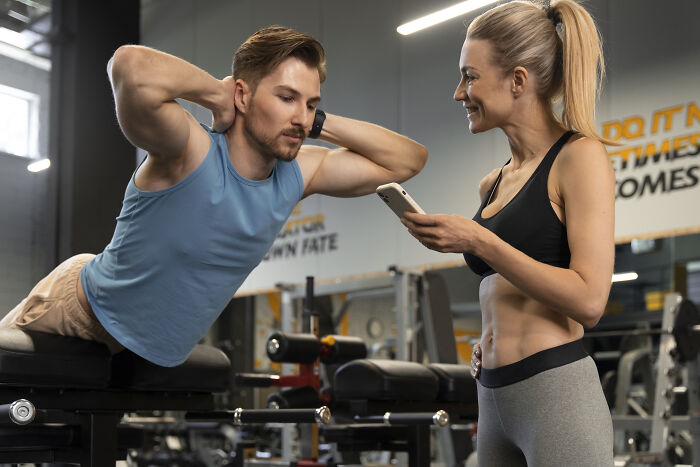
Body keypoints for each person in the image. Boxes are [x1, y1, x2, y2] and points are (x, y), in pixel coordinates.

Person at [0, 26, 427, 367]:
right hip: (74, 311)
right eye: (285, 98)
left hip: (128, 352)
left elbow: (406, 160)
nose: (300, 116)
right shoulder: (190, 149)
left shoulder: (299, 172)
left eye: (310, 103)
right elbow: (129, 65)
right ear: (243, 94)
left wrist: (317, 122)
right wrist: (214, 94)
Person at [401, 1, 615, 466]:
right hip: (492, 396)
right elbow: (503, 288)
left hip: (555, 392)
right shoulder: (492, 182)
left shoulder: (580, 157)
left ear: (518, 80)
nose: (459, 93)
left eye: (470, 76)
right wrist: (487, 342)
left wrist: (480, 241)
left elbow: (590, 300)